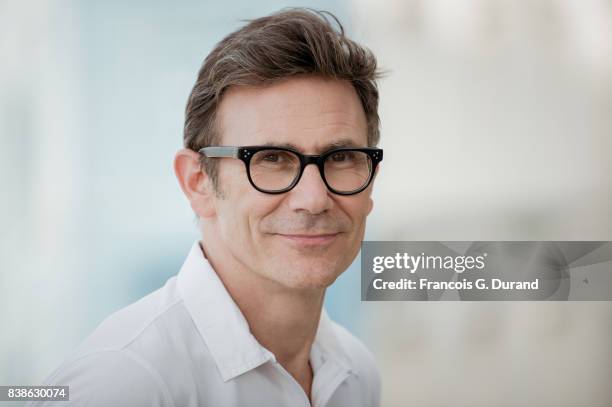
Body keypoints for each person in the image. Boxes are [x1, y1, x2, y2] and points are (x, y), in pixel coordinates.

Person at [30, 8, 383, 407]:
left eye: (341, 158)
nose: (314, 199)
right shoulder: (122, 382)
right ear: (197, 182)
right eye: (270, 159)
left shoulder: (355, 372)